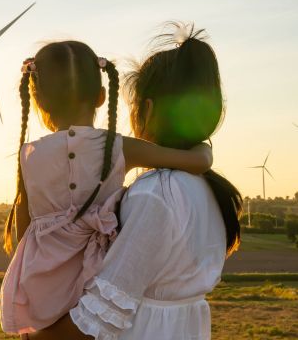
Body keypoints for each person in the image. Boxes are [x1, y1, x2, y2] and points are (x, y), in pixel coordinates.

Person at [27, 23, 242, 340]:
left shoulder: (155, 194)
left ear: (148, 110)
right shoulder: (209, 190)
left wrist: (35, 336)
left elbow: (103, 311)